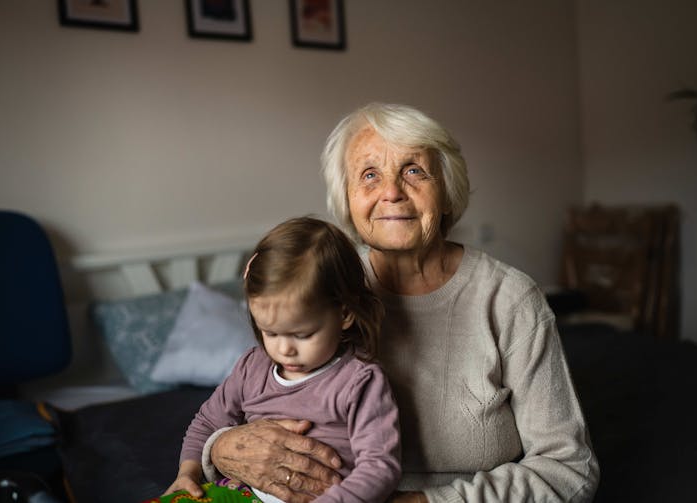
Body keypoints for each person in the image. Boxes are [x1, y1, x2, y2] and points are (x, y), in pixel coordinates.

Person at [201, 103, 600, 502]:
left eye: (413, 171)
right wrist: (219, 448)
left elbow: (568, 470)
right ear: (347, 200)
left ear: (446, 191)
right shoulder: (322, 289)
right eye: (369, 175)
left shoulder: (511, 300)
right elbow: (245, 396)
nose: (391, 192)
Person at [165, 217, 401, 503]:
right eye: (270, 332)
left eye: (302, 335)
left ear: (344, 314)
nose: (284, 349)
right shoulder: (252, 367)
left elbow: (379, 468)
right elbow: (207, 422)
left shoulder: (359, 381)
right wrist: (187, 473)